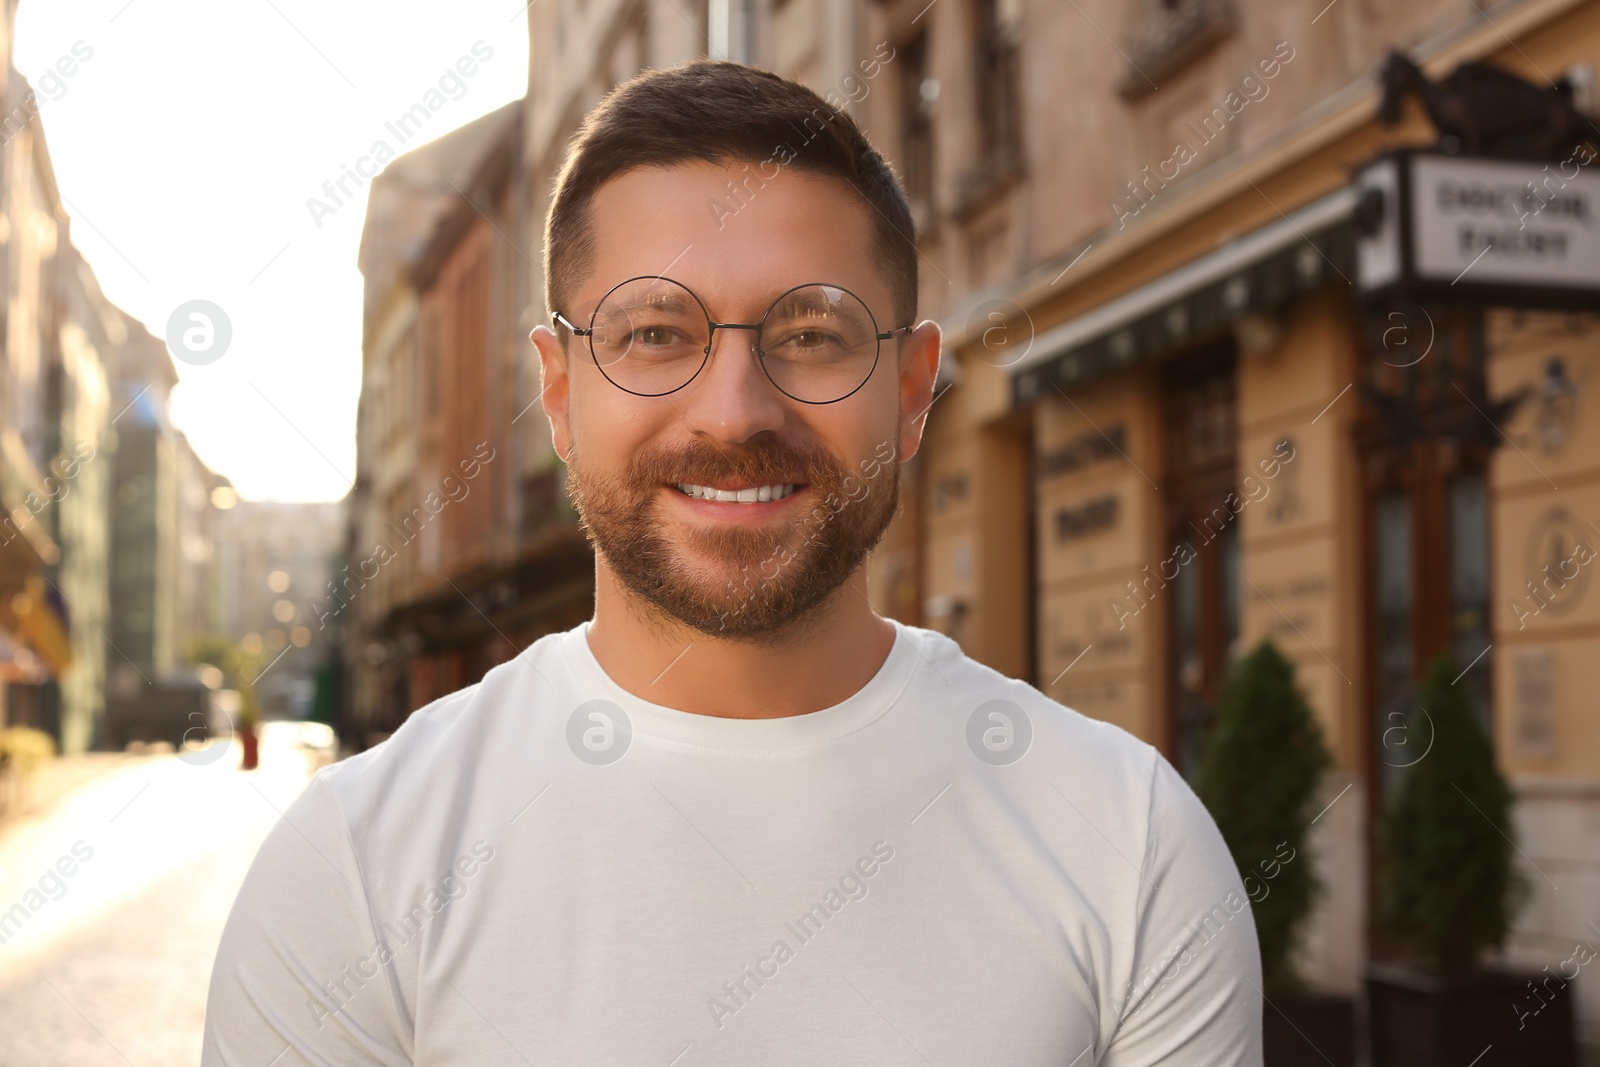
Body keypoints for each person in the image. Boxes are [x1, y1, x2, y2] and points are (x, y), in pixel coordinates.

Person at [203, 59, 1262, 1065]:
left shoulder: (1128, 839)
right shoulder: (352, 869)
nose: (733, 411)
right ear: (561, 392)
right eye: (656, 332)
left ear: (910, 390)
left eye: (810, 333)